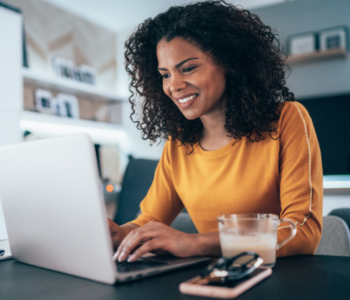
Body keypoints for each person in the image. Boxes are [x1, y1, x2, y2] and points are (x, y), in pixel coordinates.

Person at [108, 0, 323, 263]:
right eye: (165, 74)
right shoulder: (179, 143)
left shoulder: (287, 119)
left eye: (188, 68)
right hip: (218, 278)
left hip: (280, 277)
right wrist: (120, 234)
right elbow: (150, 220)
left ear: (229, 62)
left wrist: (194, 242)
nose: (174, 85)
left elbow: (302, 231)